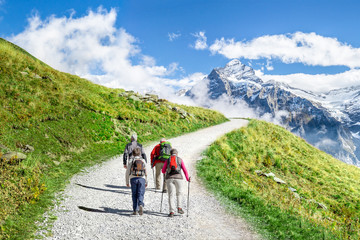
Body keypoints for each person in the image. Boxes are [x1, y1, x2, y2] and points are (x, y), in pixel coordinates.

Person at [161, 148, 190, 217]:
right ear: (177, 154)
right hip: (179, 178)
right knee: (179, 193)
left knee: (171, 195)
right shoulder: (180, 160)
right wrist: (187, 178)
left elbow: (163, 171)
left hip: (169, 179)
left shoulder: (168, 160)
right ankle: (179, 208)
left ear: (170, 154)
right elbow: (185, 170)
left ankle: (171, 212)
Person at [126, 147, 148, 216]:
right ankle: (140, 204)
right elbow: (146, 172)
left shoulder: (131, 161)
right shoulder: (143, 161)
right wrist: (146, 181)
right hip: (142, 178)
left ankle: (135, 210)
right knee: (140, 193)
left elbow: (127, 172)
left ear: (133, 153)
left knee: (134, 194)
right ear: (140, 153)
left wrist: (127, 181)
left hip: (133, 179)